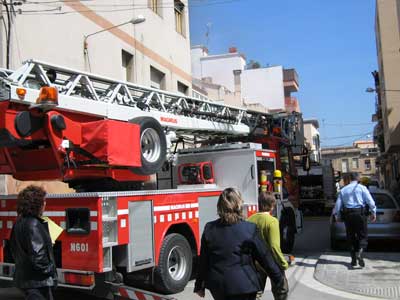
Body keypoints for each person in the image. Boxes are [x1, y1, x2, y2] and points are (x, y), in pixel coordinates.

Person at [194, 187, 284, 300]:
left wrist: (199, 285)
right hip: (245, 285)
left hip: (219, 287)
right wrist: (278, 278)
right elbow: (264, 257)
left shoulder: (210, 228)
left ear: (219, 206)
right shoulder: (249, 228)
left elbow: (203, 260)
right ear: (239, 205)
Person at [10, 185, 57, 300]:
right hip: (37, 284)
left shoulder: (18, 223)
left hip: (25, 281)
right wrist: (51, 270)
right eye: (43, 201)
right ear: (36, 204)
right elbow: (38, 258)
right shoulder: (34, 224)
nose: (45, 204)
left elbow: (14, 250)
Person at [247, 192, 289, 300]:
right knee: (281, 289)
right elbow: (274, 247)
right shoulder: (272, 221)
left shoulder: (249, 219)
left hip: (255, 263)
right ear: (271, 205)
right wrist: (283, 263)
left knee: (256, 292)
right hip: (270, 262)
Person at [334, 173, 377, 267]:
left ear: (350, 178)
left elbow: (337, 205)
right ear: (357, 178)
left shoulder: (343, 189)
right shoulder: (362, 188)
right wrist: (373, 212)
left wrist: (336, 216)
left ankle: (353, 259)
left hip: (348, 215)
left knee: (350, 237)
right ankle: (360, 253)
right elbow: (370, 201)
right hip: (360, 214)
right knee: (362, 235)